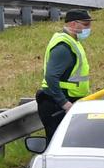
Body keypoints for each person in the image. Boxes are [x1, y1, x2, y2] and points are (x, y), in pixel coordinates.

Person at [37, 9, 93, 137]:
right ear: (73, 24)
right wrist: (65, 104)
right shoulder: (64, 47)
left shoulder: (73, 42)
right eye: (85, 25)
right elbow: (51, 77)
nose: (89, 28)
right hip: (57, 105)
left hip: (65, 102)